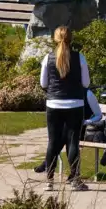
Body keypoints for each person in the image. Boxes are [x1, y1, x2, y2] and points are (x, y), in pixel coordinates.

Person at [38, 26, 90, 190]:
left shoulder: (48, 58)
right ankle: (75, 179)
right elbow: (86, 83)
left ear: (55, 39)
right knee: (72, 141)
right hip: (75, 103)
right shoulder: (79, 57)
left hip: (54, 104)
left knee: (53, 142)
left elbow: (43, 84)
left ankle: (49, 180)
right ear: (71, 39)